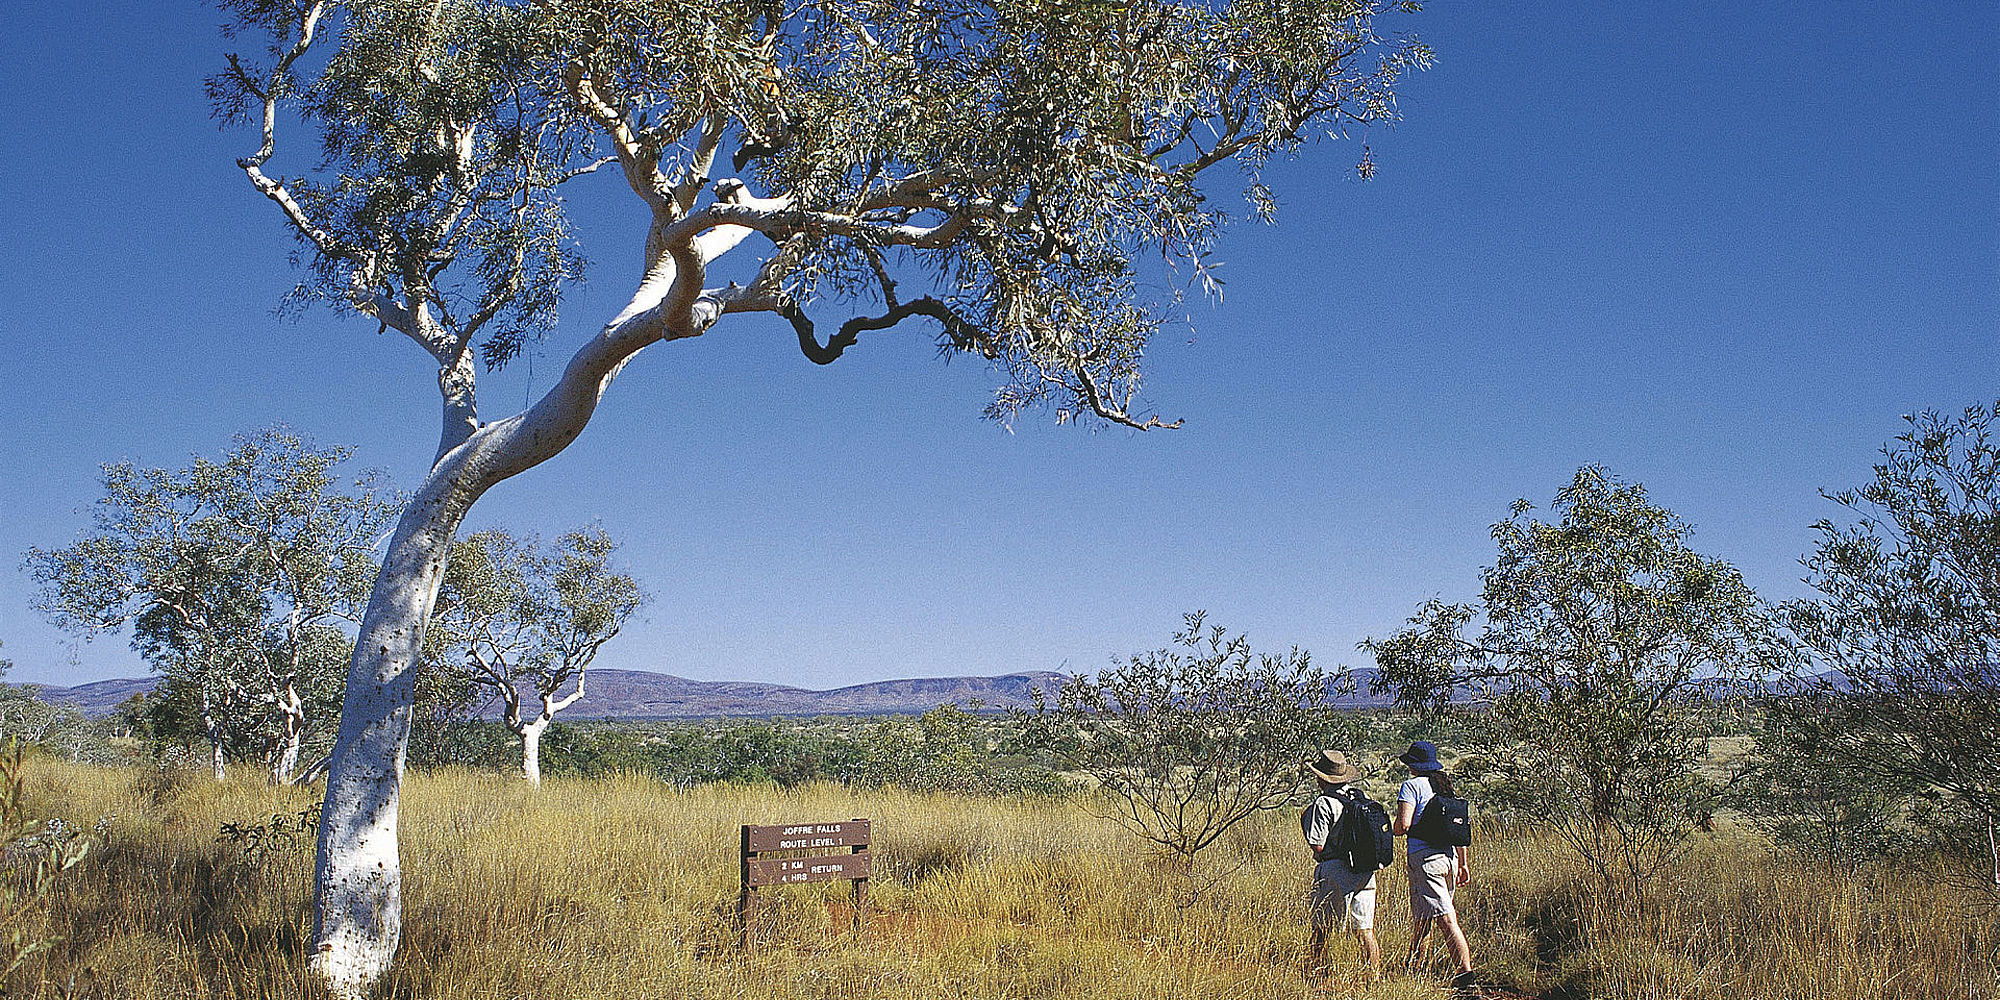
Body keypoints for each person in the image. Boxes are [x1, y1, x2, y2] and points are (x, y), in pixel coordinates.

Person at [1393, 740, 1473, 984]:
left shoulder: (1411, 786)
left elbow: (1403, 824)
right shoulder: (1444, 787)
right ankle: (1414, 966)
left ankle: (1466, 977)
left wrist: (1390, 830)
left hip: (1426, 861)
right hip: (1448, 859)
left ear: (1413, 765)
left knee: (1447, 920)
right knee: (1423, 916)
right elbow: (1457, 831)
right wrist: (1462, 863)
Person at [1299, 749, 1382, 985]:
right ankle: (1373, 977)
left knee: (1322, 927)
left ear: (1321, 778)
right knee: (1364, 929)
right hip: (1365, 871)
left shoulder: (1323, 803)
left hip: (1335, 870)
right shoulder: (1359, 797)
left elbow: (1318, 845)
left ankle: (1318, 974)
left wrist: (1302, 823)